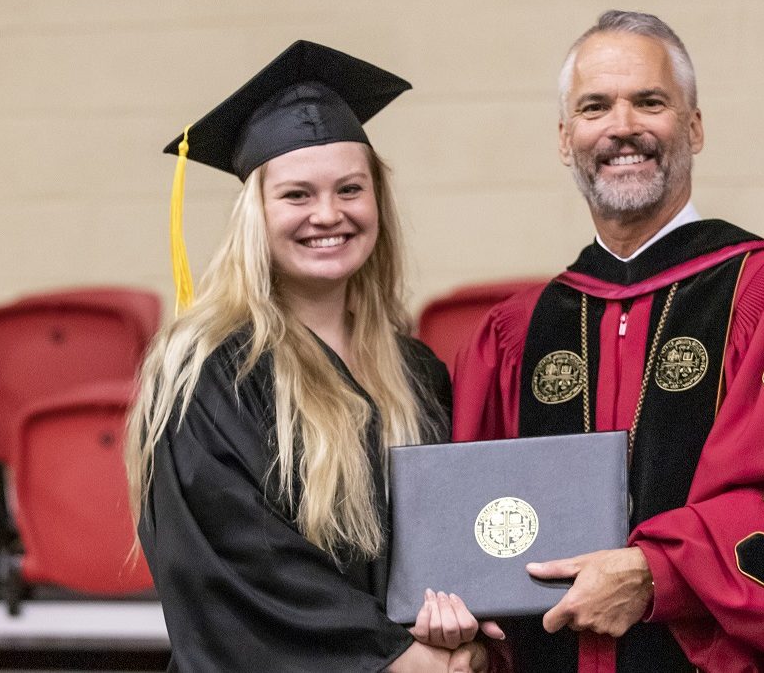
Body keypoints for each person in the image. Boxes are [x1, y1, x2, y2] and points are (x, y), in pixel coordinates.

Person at [452, 11, 764, 673]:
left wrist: (660, 571)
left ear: (693, 126)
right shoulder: (514, 332)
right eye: (595, 106)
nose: (622, 125)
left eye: (649, 101)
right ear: (565, 138)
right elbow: (468, 533)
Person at [125, 41, 490, 672]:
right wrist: (392, 660)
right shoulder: (206, 369)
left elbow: (448, 540)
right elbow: (233, 564)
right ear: (255, 216)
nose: (329, 214)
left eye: (350, 189)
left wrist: (467, 638)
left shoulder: (415, 372)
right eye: (297, 195)